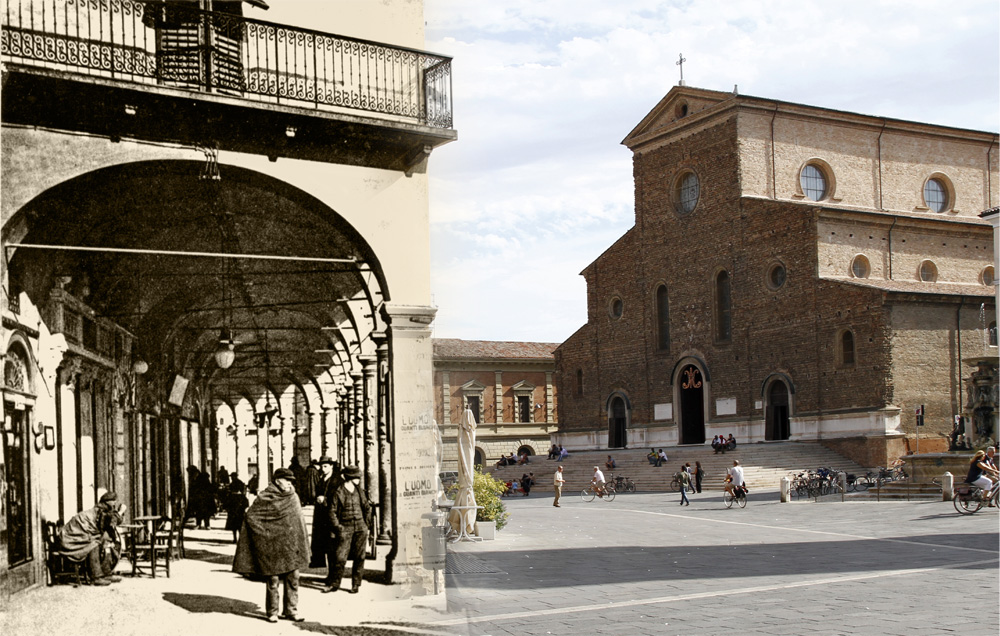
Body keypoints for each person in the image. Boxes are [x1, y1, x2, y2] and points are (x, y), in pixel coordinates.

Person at [233, 467, 309, 622]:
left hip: (290, 545)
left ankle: (291, 610)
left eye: (291, 481)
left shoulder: (293, 496)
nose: (289, 483)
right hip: (272, 545)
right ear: (277, 480)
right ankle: (272, 612)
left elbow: (298, 521)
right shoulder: (265, 496)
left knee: (293, 577)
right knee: (273, 580)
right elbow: (251, 517)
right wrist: (265, 534)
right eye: (287, 480)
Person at [57, 491, 125, 586]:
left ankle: (106, 573)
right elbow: (111, 522)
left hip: (80, 534)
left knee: (107, 544)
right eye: (113, 500)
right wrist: (120, 512)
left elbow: (111, 521)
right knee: (94, 545)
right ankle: (96, 577)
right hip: (71, 537)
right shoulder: (100, 510)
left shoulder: (104, 509)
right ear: (106, 501)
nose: (115, 502)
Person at [324, 465, 373, 594]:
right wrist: (338, 527)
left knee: (359, 557)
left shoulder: (360, 491)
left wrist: (366, 525)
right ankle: (334, 584)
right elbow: (332, 512)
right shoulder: (338, 492)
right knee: (340, 557)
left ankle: (356, 584)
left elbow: (367, 508)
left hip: (360, 527)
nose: (359, 479)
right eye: (357, 477)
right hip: (344, 528)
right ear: (351, 478)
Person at [310, 456, 341, 574]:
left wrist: (325, 499)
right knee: (324, 545)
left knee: (332, 547)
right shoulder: (322, 479)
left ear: (331, 466)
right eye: (321, 466)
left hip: (332, 517)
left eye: (325, 466)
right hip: (321, 517)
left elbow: (339, 497)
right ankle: (330, 574)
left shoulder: (337, 480)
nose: (323, 468)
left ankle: (333, 576)